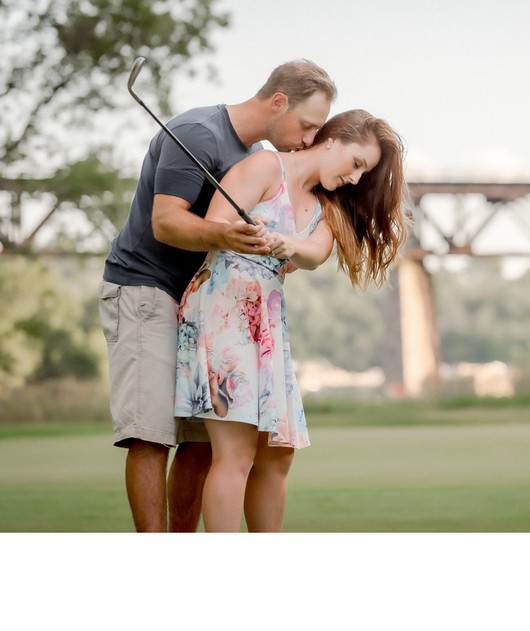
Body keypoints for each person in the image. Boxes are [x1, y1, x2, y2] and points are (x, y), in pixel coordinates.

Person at [98, 59, 337, 532]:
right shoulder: (200, 133)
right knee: (150, 435)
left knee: (201, 440)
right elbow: (166, 223)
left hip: (198, 307)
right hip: (145, 288)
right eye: (307, 125)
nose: (308, 139)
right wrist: (227, 237)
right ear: (277, 102)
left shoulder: (257, 155)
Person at [174, 109, 408, 532]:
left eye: (364, 173)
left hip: (266, 320)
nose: (356, 179)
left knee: (278, 454)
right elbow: (214, 225)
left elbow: (314, 254)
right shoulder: (267, 166)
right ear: (333, 139)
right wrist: (242, 234)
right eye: (357, 163)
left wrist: (282, 242)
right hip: (224, 306)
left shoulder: (327, 207)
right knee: (236, 453)